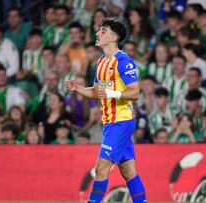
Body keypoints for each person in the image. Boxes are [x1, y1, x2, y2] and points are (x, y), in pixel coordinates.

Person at [65, 18, 146, 203]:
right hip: (110, 123)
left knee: (101, 169)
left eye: (103, 30)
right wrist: (78, 88)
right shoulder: (101, 61)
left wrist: (110, 93)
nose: (97, 33)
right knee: (128, 171)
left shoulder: (124, 61)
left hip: (121, 121)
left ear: (113, 37)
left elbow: (135, 92)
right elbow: (96, 92)